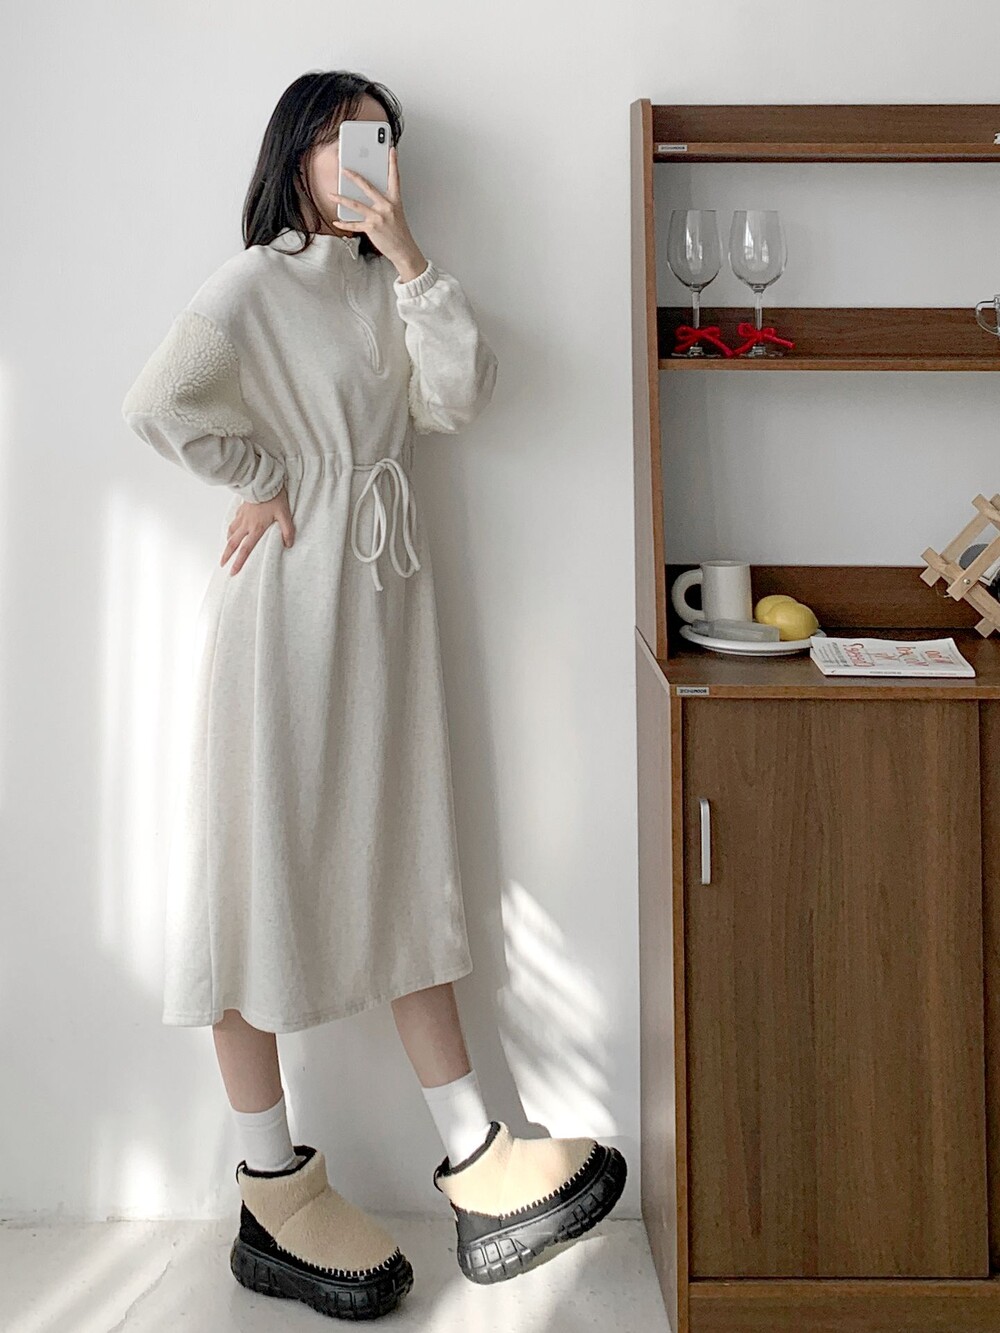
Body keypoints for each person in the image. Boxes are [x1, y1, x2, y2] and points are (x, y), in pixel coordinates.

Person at [121, 69, 625, 1320]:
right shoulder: (252, 284)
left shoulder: (389, 281)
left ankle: (476, 1156)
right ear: (295, 152)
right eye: (343, 137)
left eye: (380, 139)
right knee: (254, 881)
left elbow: (457, 397)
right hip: (287, 614)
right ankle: (271, 1187)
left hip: (384, 611)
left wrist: (409, 260)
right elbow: (157, 404)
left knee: (401, 859)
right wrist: (265, 472)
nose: (365, 157)